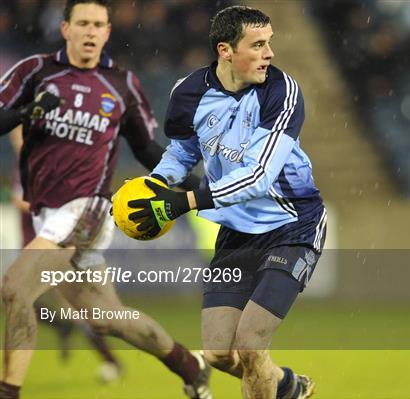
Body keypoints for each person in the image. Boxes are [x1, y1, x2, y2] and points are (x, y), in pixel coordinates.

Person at [0, 1, 211, 398]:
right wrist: (29, 111)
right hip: (49, 212)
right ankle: (190, 365)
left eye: (99, 24)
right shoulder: (36, 72)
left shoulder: (122, 84)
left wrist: (197, 185)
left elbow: (148, 148)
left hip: (88, 209)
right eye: (83, 23)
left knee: (15, 288)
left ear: (108, 32)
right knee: (106, 318)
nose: (91, 31)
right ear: (66, 28)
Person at [126, 6, 327, 399]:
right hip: (237, 232)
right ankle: (286, 385)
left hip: (292, 225)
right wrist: (156, 184)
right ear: (226, 50)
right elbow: (183, 151)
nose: (269, 53)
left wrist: (184, 201)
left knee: (251, 344)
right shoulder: (188, 92)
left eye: (270, 42)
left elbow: (259, 176)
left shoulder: (281, 92)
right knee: (219, 353)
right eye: (258, 44)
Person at [9, 126, 123, 383]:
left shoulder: (45, 163)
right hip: (33, 248)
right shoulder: (24, 165)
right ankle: (66, 329)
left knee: (78, 307)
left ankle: (110, 360)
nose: (17, 139)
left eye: (21, 133)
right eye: (15, 135)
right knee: (24, 298)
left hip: (53, 247)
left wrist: (25, 200)